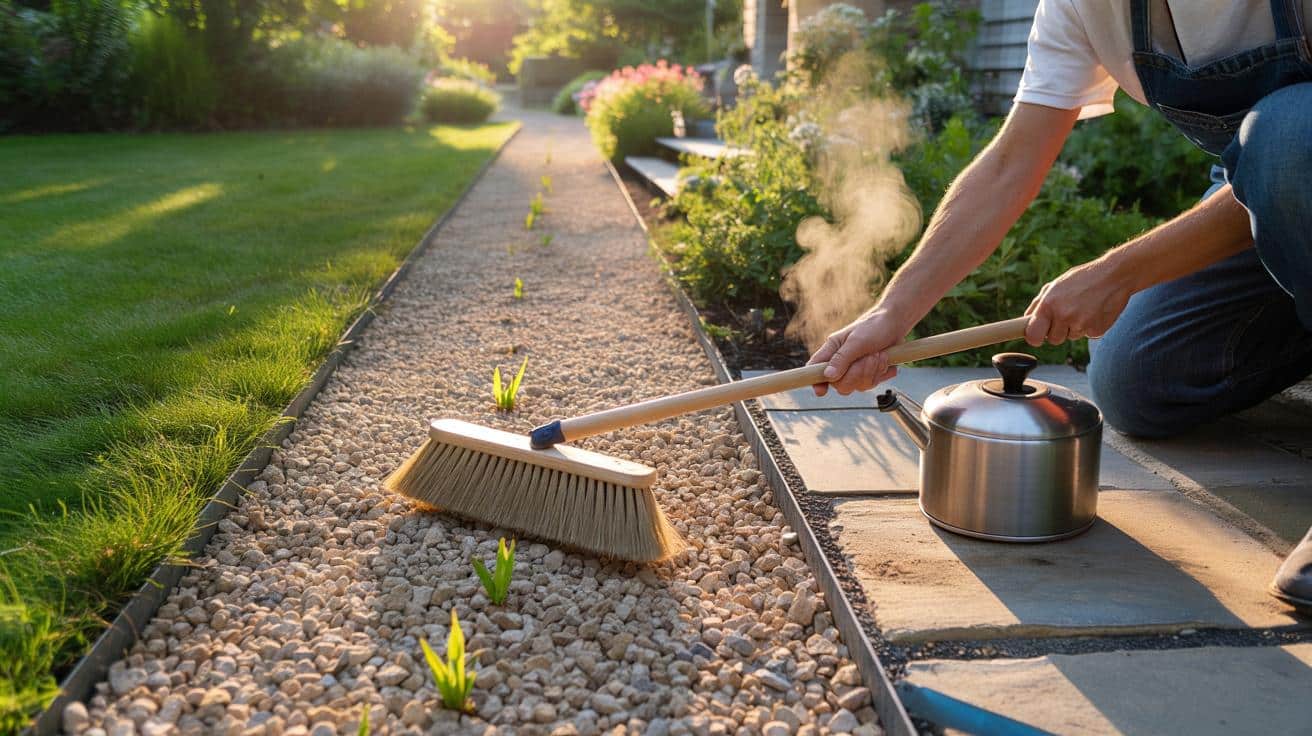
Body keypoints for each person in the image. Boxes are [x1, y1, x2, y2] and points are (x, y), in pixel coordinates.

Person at [807, 0, 1312, 613]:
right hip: (1271, 200)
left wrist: (1118, 272)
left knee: (1288, 138)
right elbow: (1011, 164)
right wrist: (892, 313)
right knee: (1135, 378)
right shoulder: (1083, 6)